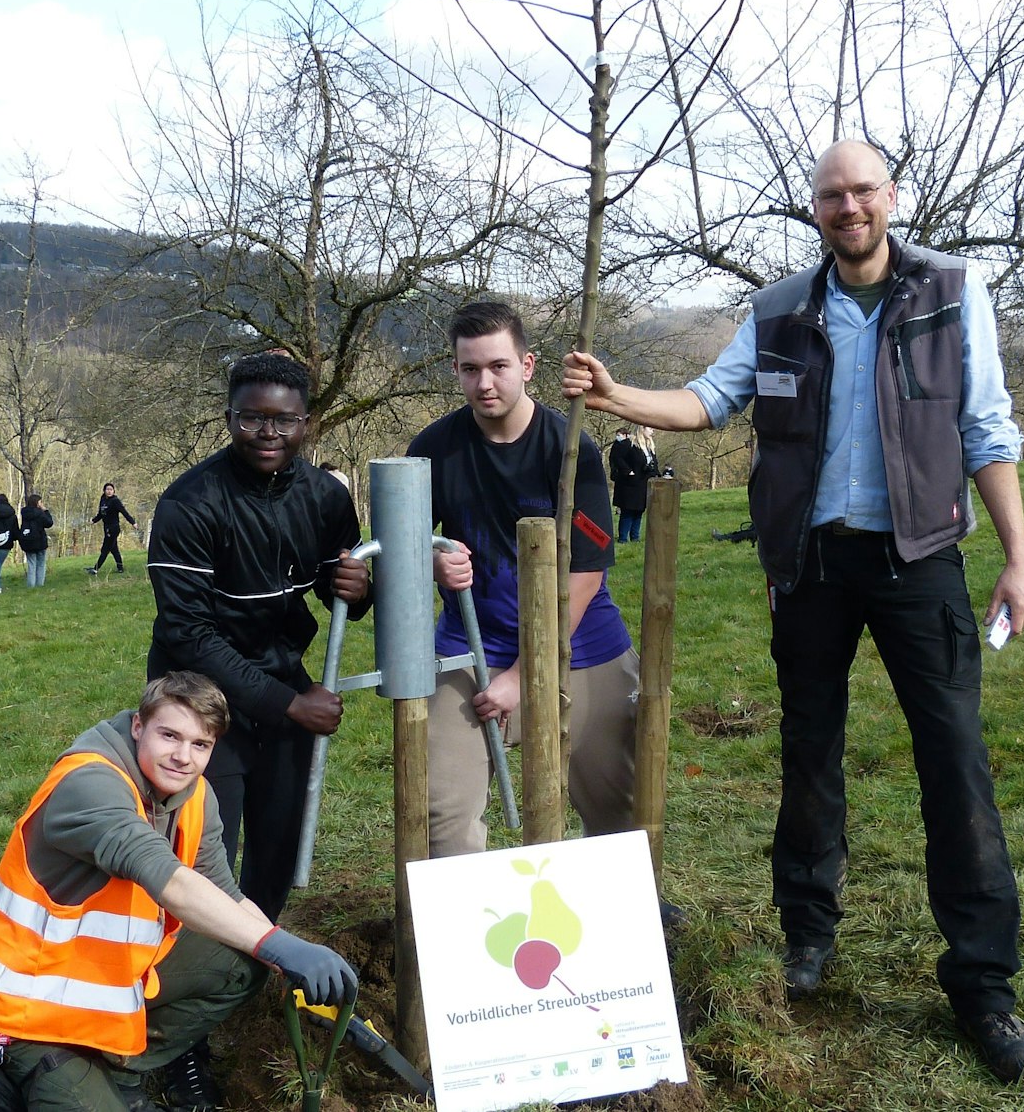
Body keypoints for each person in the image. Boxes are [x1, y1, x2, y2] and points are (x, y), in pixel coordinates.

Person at [561, 139, 1024, 1082]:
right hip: (812, 566)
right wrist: (617, 391)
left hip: (921, 560)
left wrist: (1018, 558)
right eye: (832, 195)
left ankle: (984, 984)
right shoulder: (781, 308)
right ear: (815, 209)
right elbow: (710, 401)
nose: (849, 207)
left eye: (864, 190)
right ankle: (807, 938)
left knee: (954, 762)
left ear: (892, 197)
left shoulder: (952, 291)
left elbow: (987, 425)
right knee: (808, 750)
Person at [0, 672, 357, 1112]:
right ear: (138, 726)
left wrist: (280, 951)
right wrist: (279, 944)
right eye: (170, 736)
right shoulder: (88, 785)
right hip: (25, 1017)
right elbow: (166, 879)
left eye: (201, 744)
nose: (183, 757)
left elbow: (223, 893)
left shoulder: (194, 795)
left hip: (99, 983)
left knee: (240, 960)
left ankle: (113, 1071)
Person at [411, 301, 642, 864]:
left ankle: (626, 917)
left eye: (498, 366)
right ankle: (464, 941)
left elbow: (587, 571)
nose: (484, 383)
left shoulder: (571, 450)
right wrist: (432, 562)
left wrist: (524, 672)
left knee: (616, 803)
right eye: (469, 369)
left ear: (528, 364)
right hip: (469, 642)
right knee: (441, 811)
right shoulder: (434, 449)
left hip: (580, 642)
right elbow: (405, 547)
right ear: (456, 371)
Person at [146, 352, 369, 924]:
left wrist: (359, 585)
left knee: (281, 833)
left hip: (280, 680)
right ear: (229, 418)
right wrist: (291, 704)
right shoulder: (189, 504)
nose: (268, 433)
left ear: (305, 423)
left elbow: (343, 594)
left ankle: (257, 948)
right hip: (195, 696)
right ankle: (188, 961)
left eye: (285, 420)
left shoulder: (325, 497)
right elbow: (188, 632)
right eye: (252, 419)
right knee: (204, 838)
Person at [608, 425, 658, 542]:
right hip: (629, 484)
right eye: (650, 428)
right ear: (642, 428)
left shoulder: (649, 445)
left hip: (643, 484)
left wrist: (658, 475)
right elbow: (616, 457)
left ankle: (635, 538)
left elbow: (653, 464)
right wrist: (627, 471)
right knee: (628, 511)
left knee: (639, 511)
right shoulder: (629, 443)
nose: (652, 431)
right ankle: (623, 539)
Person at [88, 483, 137, 575]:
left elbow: (124, 512)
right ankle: (120, 568)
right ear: (104, 491)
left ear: (114, 491)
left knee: (105, 549)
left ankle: (96, 569)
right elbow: (101, 514)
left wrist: (133, 522)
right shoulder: (103, 500)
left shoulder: (115, 501)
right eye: (107, 489)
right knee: (114, 549)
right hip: (106, 527)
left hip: (113, 528)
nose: (109, 491)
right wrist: (94, 521)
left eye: (111, 489)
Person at [19, 494, 55, 588]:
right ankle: (40, 584)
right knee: (41, 564)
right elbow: (49, 523)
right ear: (37, 503)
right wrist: (46, 511)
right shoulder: (40, 513)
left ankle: (31, 586)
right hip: (39, 541)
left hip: (27, 541)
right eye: (40, 502)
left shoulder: (24, 513)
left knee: (31, 564)